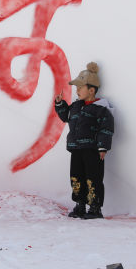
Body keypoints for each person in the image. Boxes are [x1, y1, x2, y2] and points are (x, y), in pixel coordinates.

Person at [54, 62, 115, 219]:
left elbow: (106, 129)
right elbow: (66, 117)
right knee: (76, 177)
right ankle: (79, 204)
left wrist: (103, 147)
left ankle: (95, 208)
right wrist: (60, 104)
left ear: (91, 90)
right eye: (76, 88)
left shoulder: (101, 109)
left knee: (93, 178)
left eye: (80, 87)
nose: (77, 90)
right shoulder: (76, 106)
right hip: (76, 148)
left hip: (92, 149)